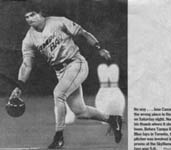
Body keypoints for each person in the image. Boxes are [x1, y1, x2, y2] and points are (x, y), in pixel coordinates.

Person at [9, 6, 122, 149]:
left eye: (32, 15)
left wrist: (99, 48)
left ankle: (59, 138)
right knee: (80, 111)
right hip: (61, 72)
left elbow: (83, 33)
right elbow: (26, 65)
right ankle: (112, 119)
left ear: (41, 14)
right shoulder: (29, 39)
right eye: (27, 17)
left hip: (76, 63)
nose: (30, 19)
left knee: (58, 93)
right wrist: (19, 86)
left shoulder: (58, 22)